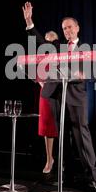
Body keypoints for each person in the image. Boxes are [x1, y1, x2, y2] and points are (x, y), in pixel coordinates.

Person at [22, 1, 96, 192]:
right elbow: (41, 44)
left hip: (76, 100)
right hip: (58, 99)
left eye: (70, 27)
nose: (67, 30)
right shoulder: (58, 46)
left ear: (77, 28)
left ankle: (93, 180)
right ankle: (66, 178)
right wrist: (30, 23)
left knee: (82, 140)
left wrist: (81, 74)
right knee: (63, 140)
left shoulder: (86, 48)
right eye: (64, 28)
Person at [39, 31, 59, 174]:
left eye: (53, 41)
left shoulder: (61, 55)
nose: (49, 43)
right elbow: (38, 77)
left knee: (63, 127)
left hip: (62, 93)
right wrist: (46, 86)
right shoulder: (41, 57)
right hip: (46, 94)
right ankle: (49, 159)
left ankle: (63, 159)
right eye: (47, 41)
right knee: (48, 127)